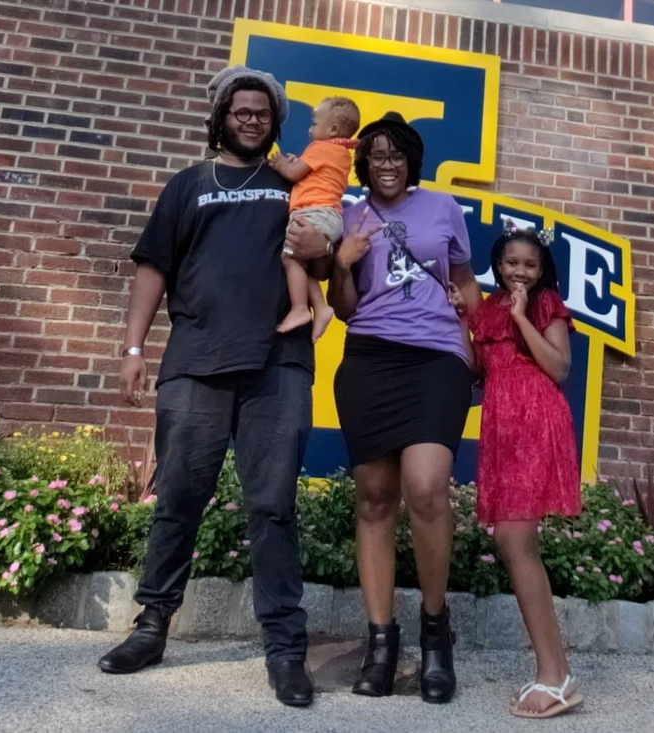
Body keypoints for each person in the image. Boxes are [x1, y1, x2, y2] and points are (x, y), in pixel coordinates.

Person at [97, 65, 331, 708]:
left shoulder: (292, 185)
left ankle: (285, 648)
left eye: (262, 112)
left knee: (273, 506)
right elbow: (152, 269)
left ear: (273, 122)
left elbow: (327, 255)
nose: (251, 119)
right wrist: (134, 349)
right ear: (221, 117)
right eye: (241, 111)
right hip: (195, 363)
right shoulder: (188, 185)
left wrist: (325, 247)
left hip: (277, 365)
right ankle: (151, 628)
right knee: (177, 497)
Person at [328, 112, 482, 704]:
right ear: (363, 163)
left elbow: (465, 283)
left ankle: (436, 637)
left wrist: (478, 345)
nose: (385, 165)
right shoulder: (348, 215)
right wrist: (343, 261)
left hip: (437, 357)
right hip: (370, 358)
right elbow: (343, 308)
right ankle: (381, 644)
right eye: (376, 156)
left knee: (426, 488)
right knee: (373, 498)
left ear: (411, 161)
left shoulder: (442, 208)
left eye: (396, 156)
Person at [450, 222, 584, 719]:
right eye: (511, 263)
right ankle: (554, 671)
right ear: (498, 264)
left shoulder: (546, 305)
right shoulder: (485, 311)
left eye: (530, 264)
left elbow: (559, 367)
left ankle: (557, 675)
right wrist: (454, 321)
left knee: (515, 540)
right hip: (501, 426)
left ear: (542, 268)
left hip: (535, 418)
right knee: (511, 542)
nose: (520, 272)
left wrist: (524, 316)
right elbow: (475, 374)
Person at [269, 96, 361, 343]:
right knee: (302, 264)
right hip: (330, 217)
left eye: (314, 123)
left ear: (332, 130)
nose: (309, 129)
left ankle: (300, 308)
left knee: (288, 257)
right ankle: (320, 308)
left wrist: (280, 164)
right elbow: (311, 177)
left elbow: (294, 173)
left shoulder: (320, 148)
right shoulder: (342, 154)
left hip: (313, 213)